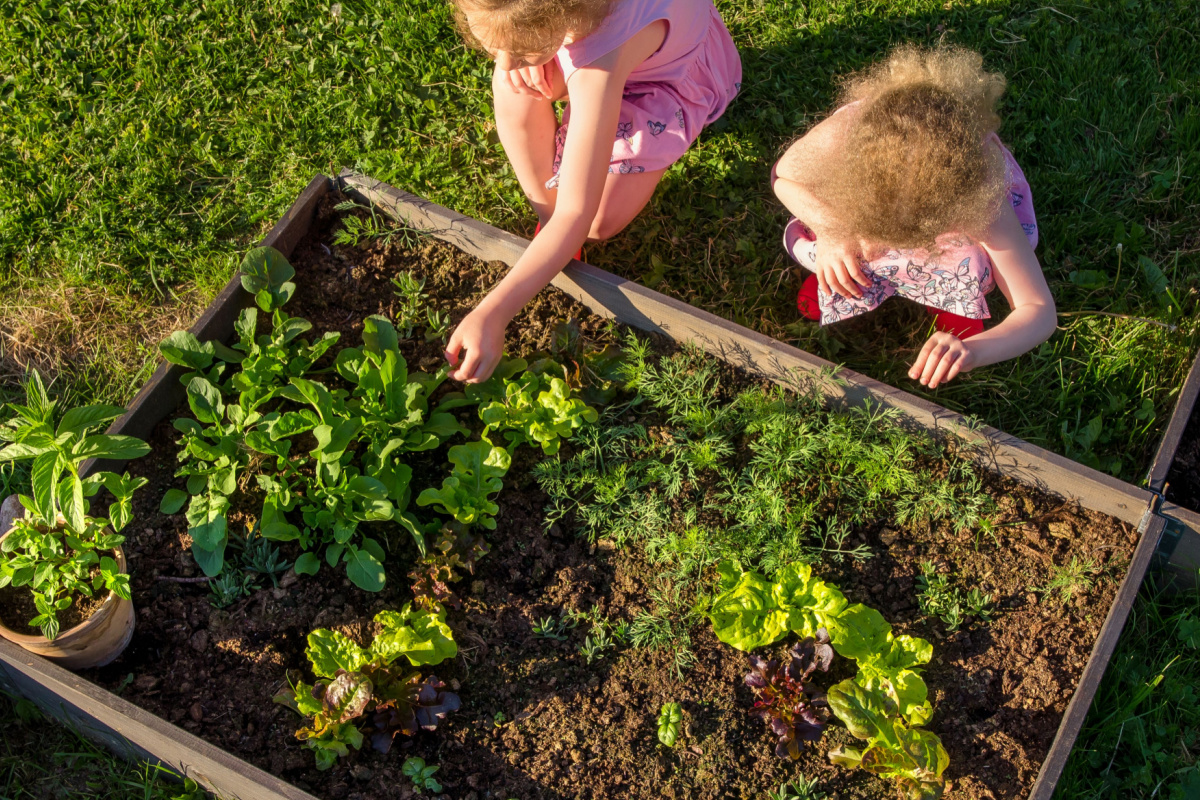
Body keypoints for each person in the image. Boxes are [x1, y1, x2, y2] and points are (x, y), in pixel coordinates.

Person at [444, 0, 741, 382]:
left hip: (663, 78)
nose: (504, 62)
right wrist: (532, 47)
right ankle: (550, 229)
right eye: (494, 48)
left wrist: (493, 313)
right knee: (513, 85)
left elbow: (577, 212)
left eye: (519, 49)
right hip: (607, 39)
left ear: (561, 17)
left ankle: (559, 238)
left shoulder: (599, 61)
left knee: (597, 217)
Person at [772, 45, 1055, 390]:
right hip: (844, 226)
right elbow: (784, 177)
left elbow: (1037, 309)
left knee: (972, 259)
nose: (890, 247)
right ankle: (840, 278)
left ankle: (952, 301)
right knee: (826, 247)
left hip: (953, 238)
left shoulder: (979, 194)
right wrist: (833, 232)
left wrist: (972, 351)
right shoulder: (843, 134)